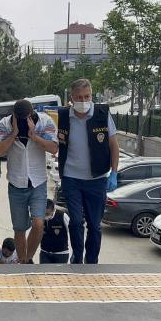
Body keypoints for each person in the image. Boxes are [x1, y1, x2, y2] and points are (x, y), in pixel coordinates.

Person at [57, 78, 119, 264]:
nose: (83, 101)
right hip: (71, 178)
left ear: (92, 96)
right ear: (72, 98)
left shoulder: (102, 114)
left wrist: (114, 173)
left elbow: (114, 146)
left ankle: (91, 261)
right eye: (79, 97)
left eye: (87, 96)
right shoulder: (63, 116)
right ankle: (77, 257)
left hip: (96, 179)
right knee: (76, 221)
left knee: (94, 225)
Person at [0, 99, 57, 263]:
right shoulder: (5, 124)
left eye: (27, 117)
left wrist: (34, 136)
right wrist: (14, 134)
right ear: (14, 115)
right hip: (16, 183)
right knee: (20, 228)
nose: (23, 121)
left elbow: (53, 148)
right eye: (20, 118)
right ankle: (22, 261)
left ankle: (28, 259)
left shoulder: (45, 121)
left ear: (32, 114)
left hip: (38, 182)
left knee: (38, 224)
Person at [40, 200, 71, 264]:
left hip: (61, 254)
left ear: (53, 210)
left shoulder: (63, 216)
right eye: (44, 213)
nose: (45, 216)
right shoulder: (39, 216)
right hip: (45, 253)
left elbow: (72, 232)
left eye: (47, 214)